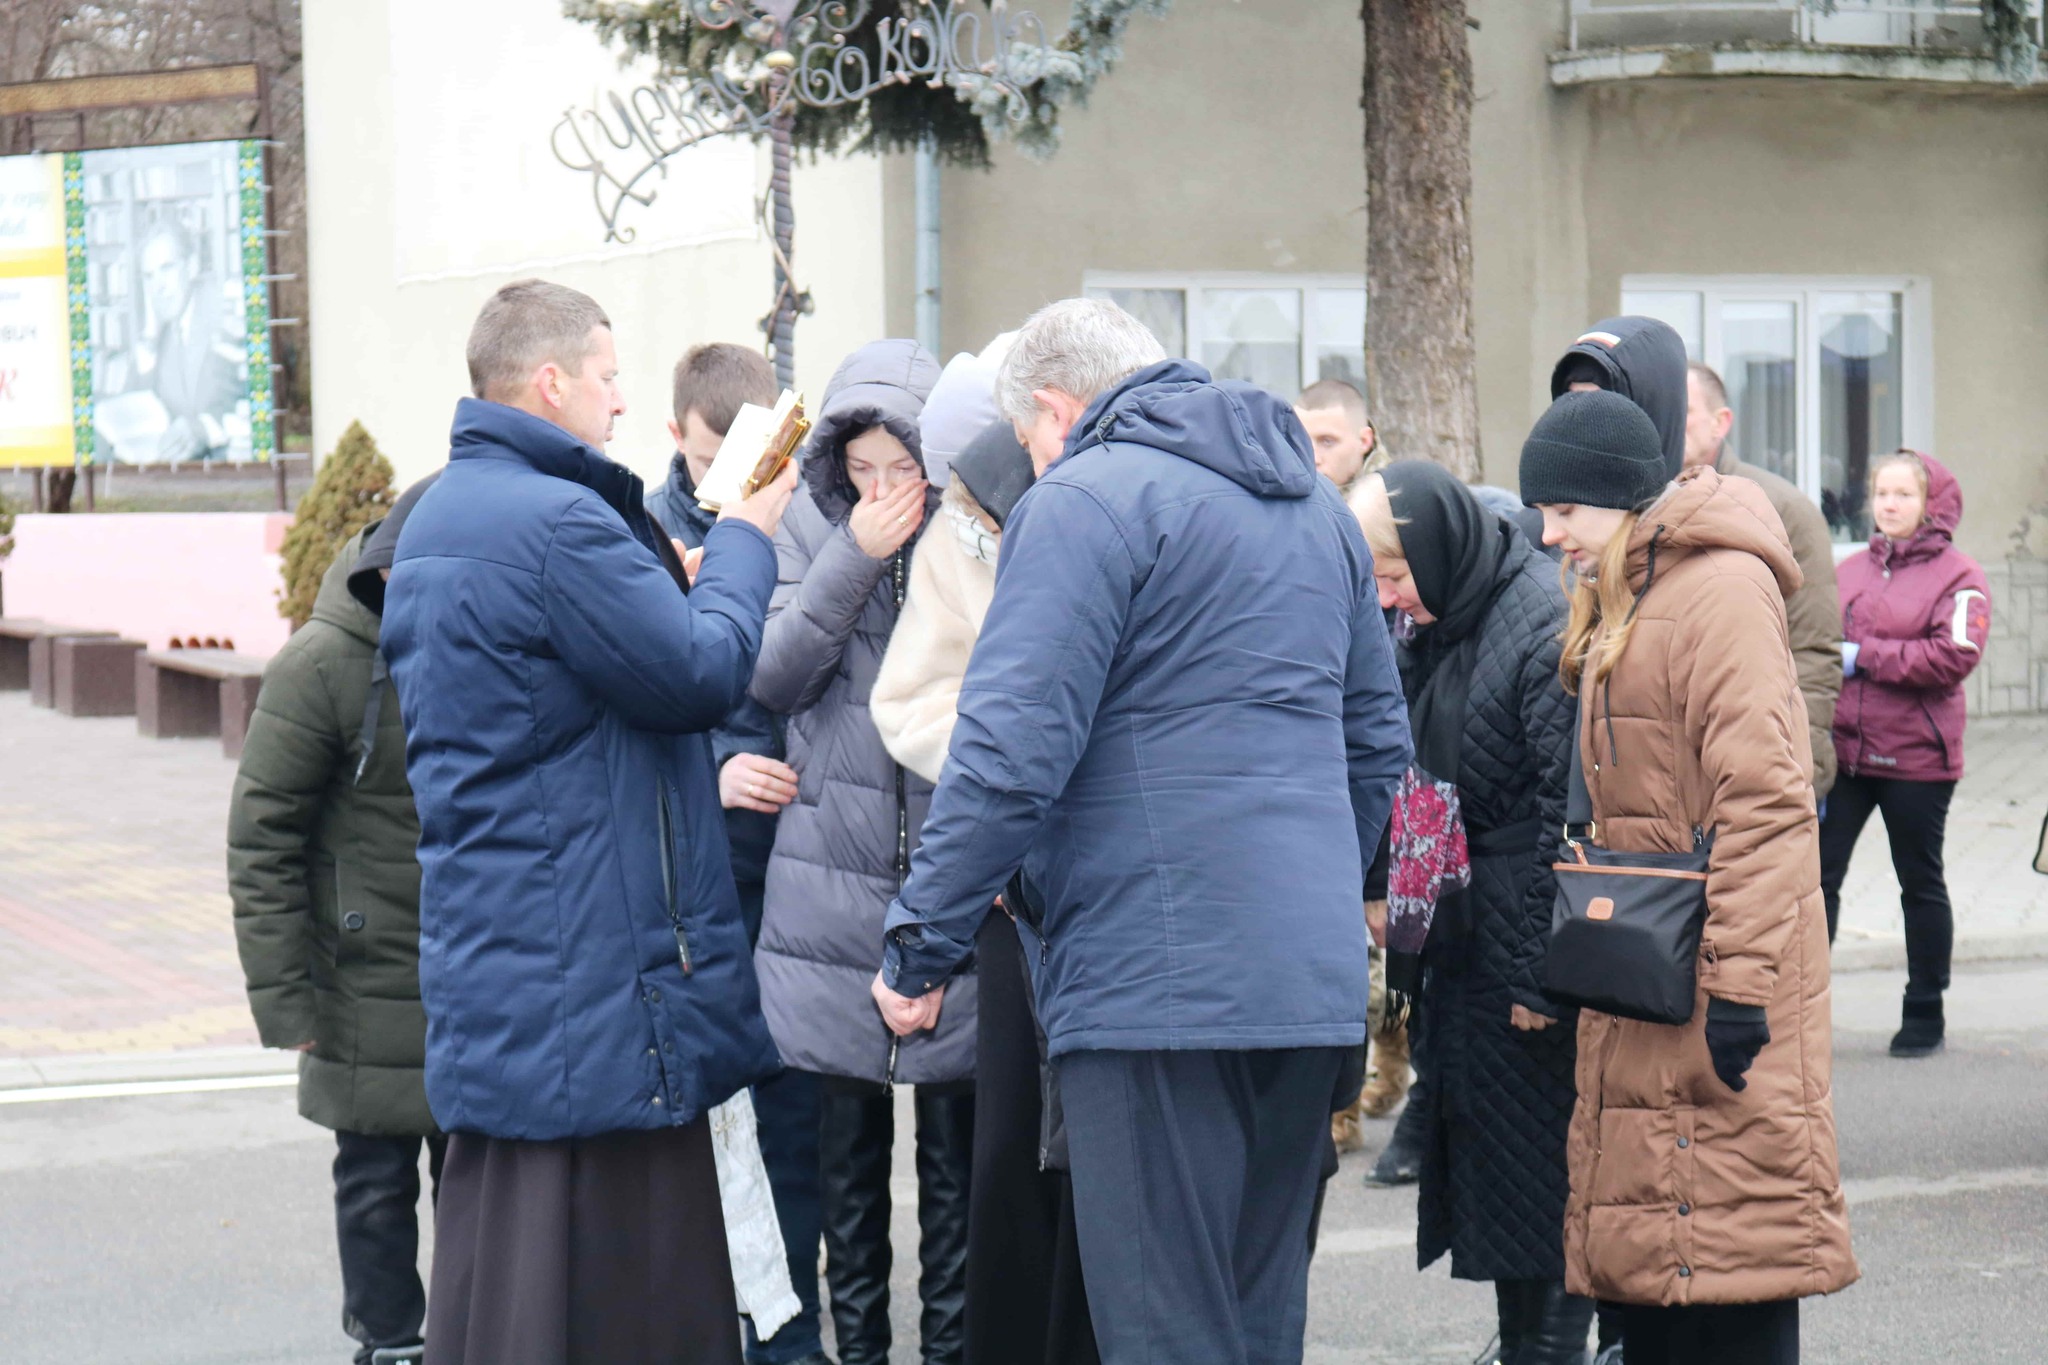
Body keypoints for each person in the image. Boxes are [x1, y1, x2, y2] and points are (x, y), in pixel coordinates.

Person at [873, 297, 1412, 1365]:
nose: (1030, 459)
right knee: (1254, 1327)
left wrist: (917, 942)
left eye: (1028, 436)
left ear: (1057, 409)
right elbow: (1374, 744)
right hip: (1299, 985)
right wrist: (1313, 888)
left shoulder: (1080, 501)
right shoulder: (1312, 508)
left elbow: (1007, 750)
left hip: (1149, 987)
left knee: (1164, 1330)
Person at [380, 278, 797, 1365]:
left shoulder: (442, 518)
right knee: (624, 1286)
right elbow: (700, 675)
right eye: (609, 377)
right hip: (596, 970)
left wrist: (668, 583)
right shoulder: (561, 520)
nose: (620, 404)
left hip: (506, 948)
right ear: (553, 380)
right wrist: (746, 533)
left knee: (513, 1277)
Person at [1519, 388, 1857, 1365]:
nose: (1549, 536)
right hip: (1649, 978)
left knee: (1729, 1266)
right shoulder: (1639, 589)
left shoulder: (1716, 591)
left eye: (1564, 512)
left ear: (1619, 502)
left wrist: (1740, 985)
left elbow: (1766, 801)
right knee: (1666, 1265)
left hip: (1712, 985)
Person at [747, 338, 975, 1365]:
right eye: (862, 469)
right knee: (843, 1168)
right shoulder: (807, 524)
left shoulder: (972, 528)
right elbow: (773, 674)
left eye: (902, 468)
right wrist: (855, 552)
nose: (882, 487)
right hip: (824, 889)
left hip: (948, 877)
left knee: (955, 1170)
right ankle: (860, 1354)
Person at [868, 411, 1101, 1365]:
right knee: (1014, 1153)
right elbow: (915, 708)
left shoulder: (1107, 520)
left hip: (1100, 893)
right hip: (1017, 896)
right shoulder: (964, 531)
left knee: (1101, 1167)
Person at [1352, 462, 1585, 1364]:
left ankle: (1550, 1348)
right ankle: (1523, 1340)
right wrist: (1394, 894)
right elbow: (1412, 774)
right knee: (1500, 1175)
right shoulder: (1443, 615)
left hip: (1521, 948)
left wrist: (1538, 972)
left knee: (1543, 1184)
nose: (1386, 596)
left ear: (1437, 547)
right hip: (1467, 938)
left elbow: (1562, 816)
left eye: (1392, 572)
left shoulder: (1536, 616)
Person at [227, 477, 442, 1365]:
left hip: (476, 965)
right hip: (361, 977)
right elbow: (259, 840)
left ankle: (474, 1334)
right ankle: (390, 1343)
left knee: (483, 1184)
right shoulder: (319, 664)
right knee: (375, 1180)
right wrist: (290, 1006)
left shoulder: (480, 643)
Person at [643, 341, 825, 1365]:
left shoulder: (812, 523)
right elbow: (644, 698)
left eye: (754, 455)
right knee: (698, 1144)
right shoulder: (635, 535)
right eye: (716, 454)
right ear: (677, 437)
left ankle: (789, 1339)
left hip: (800, 884)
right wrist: (709, 775)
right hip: (697, 887)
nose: (734, 480)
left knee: (795, 1137)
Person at [1819, 450, 1990, 1058]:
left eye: (1904, 495)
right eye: (1881, 493)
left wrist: (1863, 655)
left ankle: (1925, 1009)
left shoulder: (1960, 576)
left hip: (1918, 760)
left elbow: (1953, 657)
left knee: (1919, 882)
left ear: (1932, 505)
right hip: (1846, 756)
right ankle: (1801, 1010)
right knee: (1815, 881)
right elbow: (1815, 641)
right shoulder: (1849, 569)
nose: (1889, 505)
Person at [1683, 362, 1842, 796]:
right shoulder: (1636, 505)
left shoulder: (1783, 509)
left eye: (1684, 409)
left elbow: (1812, 647)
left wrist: (1796, 763)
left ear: (1722, 422)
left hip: (1759, 759)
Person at [133, 216, 243, 461]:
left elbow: (236, 396)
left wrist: (202, 429)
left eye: (167, 268)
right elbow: (145, 411)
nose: (157, 287)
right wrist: (150, 335)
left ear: (192, 266)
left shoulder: (222, 315)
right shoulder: (165, 333)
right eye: (149, 277)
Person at [1295, 378, 1383, 495]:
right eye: (1301, 442)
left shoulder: (1395, 500)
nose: (1312, 459)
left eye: (1327, 442)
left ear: (1364, 441)